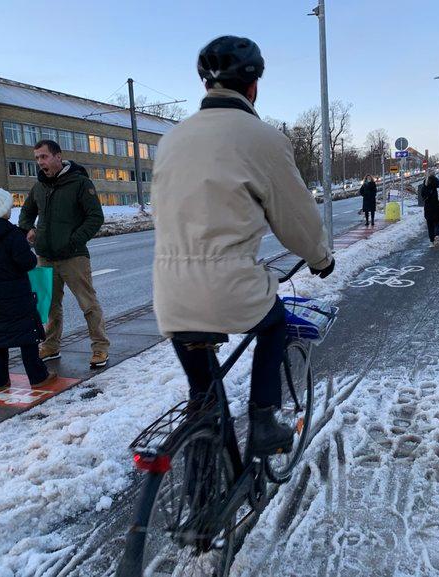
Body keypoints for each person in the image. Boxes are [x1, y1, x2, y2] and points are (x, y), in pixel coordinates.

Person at [151, 35, 335, 456]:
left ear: (206, 86)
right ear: (253, 88)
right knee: (274, 324)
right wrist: (319, 258)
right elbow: (296, 217)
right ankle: (264, 420)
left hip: (171, 293)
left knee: (205, 398)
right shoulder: (263, 139)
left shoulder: (172, 139)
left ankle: (201, 483)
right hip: (229, 286)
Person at [18, 140, 110, 368]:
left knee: (88, 304)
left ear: (58, 157)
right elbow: (26, 212)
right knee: (47, 305)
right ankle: (50, 346)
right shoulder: (39, 187)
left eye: (44, 157)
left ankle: (100, 348)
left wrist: (73, 240)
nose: (40, 162)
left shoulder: (80, 183)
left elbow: (95, 217)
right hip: (45, 256)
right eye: (37, 158)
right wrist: (28, 228)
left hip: (74, 257)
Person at [0, 187, 57, 390]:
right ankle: (38, 376)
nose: (11, 210)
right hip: (17, 296)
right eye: (8, 206)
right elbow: (28, 263)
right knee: (27, 336)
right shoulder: (11, 235)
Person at [421, 171, 439, 248]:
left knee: (430, 225)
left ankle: (432, 241)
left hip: (428, 208)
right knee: (438, 223)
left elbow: (422, 196)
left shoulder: (425, 185)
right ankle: (437, 235)